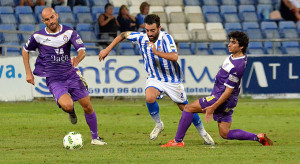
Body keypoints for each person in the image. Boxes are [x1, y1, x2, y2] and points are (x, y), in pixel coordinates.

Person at [98, 14, 215, 145]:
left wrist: (157, 52)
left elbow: (174, 56)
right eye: (147, 30)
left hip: (172, 80)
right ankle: (159, 124)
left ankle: (204, 133)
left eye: (152, 30)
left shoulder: (166, 38)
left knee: (186, 108)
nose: (149, 33)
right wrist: (107, 49)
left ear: (159, 28)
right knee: (149, 97)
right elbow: (123, 35)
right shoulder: (142, 38)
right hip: (154, 78)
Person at [161, 31, 273, 147]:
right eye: (230, 42)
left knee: (189, 108)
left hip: (221, 98)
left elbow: (228, 91)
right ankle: (258, 137)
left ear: (241, 47)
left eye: (233, 43)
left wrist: (213, 107)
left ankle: (177, 141)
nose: (229, 44)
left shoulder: (238, 66)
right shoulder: (236, 57)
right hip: (229, 100)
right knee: (225, 133)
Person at [22, 7, 107, 146]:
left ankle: (95, 138)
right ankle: (71, 112)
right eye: (47, 19)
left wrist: (78, 59)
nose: (51, 21)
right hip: (54, 78)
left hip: (71, 74)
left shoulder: (69, 32)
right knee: (67, 105)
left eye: (52, 17)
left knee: (87, 106)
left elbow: (82, 51)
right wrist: (28, 72)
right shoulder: (38, 36)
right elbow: (25, 51)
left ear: (57, 15)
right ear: (43, 21)